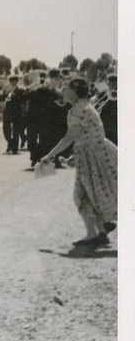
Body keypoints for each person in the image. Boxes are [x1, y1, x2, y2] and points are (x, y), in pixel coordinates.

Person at [39, 78, 118, 249]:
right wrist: (72, 159)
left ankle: (94, 234)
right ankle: (101, 233)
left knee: (82, 195)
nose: (63, 90)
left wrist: (49, 155)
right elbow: (87, 135)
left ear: (75, 92)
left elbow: (70, 137)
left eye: (66, 88)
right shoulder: (84, 106)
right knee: (92, 194)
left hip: (92, 156)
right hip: (95, 153)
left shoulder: (78, 110)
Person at [0, 75, 25, 154]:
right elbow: (1, 99)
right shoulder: (6, 89)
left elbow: (21, 99)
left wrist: (13, 94)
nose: (13, 82)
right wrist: (5, 93)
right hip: (7, 111)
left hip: (16, 112)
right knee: (6, 129)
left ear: (17, 81)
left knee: (15, 131)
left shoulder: (20, 89)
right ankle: (10, 142)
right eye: (11, 81)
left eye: (14, 81)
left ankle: (14, 148)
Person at [96, 74, 117, 146]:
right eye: (112, 83)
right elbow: (97, 107)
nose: (114, 85)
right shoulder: (103, 95)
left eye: (115, 83)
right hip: (105, 127)